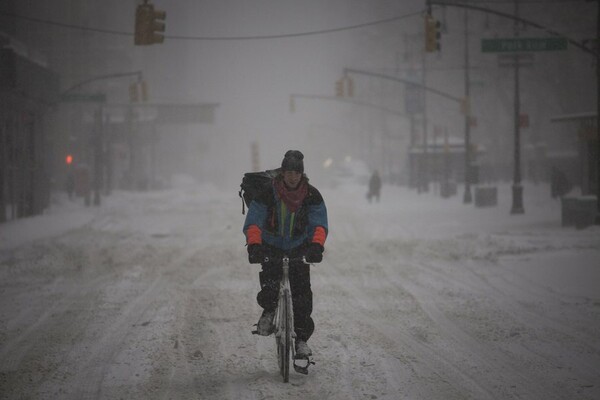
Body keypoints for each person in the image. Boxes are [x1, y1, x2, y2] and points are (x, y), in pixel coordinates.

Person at [243, 150, 328, 358]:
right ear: (283, 173)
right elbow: (254, 221)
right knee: (271, 283)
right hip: (271, 246)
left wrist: (316, 246)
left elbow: (319, 224)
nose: (293, 177)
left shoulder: (312, 195)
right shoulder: (267, 192)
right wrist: (254, 245)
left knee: (302, 297)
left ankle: (301, 340)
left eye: (297, 173)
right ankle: (269, 311)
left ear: (302, 175)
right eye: (289, 172)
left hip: (299, 247)